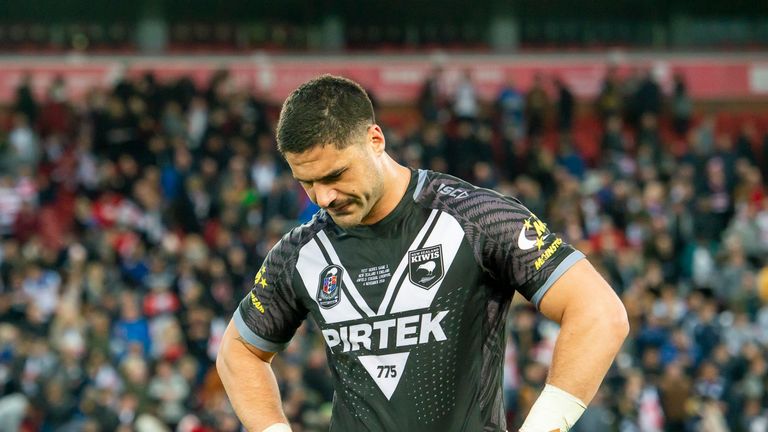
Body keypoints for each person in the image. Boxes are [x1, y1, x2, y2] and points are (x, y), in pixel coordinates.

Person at [216, 75, 629, 432]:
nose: (324, 196)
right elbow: (239, 351)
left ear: (375, 140)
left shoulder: (476, 218)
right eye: (307, 182)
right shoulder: (300, 254)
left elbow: (598, 312)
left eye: (336, 175)